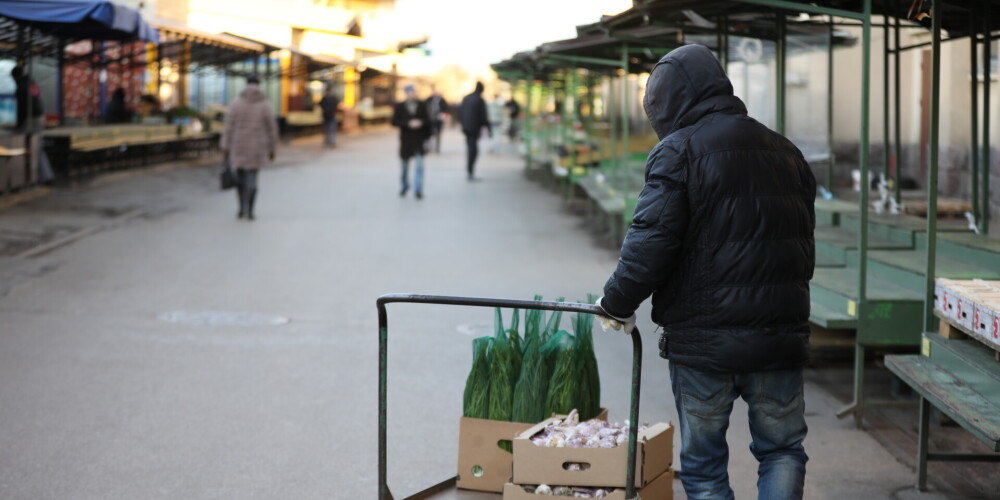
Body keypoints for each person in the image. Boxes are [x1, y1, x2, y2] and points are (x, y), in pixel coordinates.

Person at [595, 45, 815, 500]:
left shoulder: (678, 151)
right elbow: (804, 243)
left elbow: (649, 244)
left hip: (703, 344)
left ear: (669, 103)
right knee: (782, 450)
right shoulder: (785, 151)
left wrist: (616, 303)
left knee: (703, 467)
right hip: (778, 338)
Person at [220, 74, 278, 221]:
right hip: (257, 148)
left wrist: (225, 146)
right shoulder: (265, 105)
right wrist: (272, 149)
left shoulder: (236, 103)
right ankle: (251, 211)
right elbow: (272, 129)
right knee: (252, 179)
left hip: (238, 147)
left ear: (246, 84)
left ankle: (241, 208)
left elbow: (228, 126)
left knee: (239, 179)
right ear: (259, 85)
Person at [391, 84, 431, 199]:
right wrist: (408, 123)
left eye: (413, 91)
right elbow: (394, 121)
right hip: (406, 140)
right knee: (404, 167)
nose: (412, 93)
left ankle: (418, 190)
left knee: (419, 166)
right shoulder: (400, 106)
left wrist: (421, 123)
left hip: (419, 140)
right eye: (410, 91)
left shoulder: (422, 105)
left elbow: (428, 121)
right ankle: (404, 186)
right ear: (406, 92)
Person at [458, 81, 491, 180]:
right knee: (473, 150)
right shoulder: (479, 100)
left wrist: (463, 124)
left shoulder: (466, 98)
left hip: (466, 128)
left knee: (471, 149)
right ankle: (470, 171)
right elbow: (483, 116)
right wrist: (488, 128)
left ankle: (470, 171)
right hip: (474, 129)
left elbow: (460, 112)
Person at [11, 60, 44, 132]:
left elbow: (21, 107)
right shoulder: (31, 82)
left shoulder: (21, 87)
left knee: (23, 139)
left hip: (31, 118)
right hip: (40, 115)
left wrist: (19, 125)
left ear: (15, 76)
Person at [425, 86, 449, 154]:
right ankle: (430, 147)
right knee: (429, 134)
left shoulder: (441, 100)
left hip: (439, 120)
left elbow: (446, 109)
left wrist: (443, 115)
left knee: (438, 134)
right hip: (430, 119)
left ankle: (437, 148)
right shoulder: (428, 99)